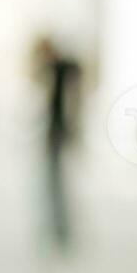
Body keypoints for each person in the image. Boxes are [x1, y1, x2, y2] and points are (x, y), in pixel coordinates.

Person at [32, 35, 81, 255]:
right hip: (57, 133)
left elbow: (67, 103)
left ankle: (61, 232)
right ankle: (59, 231)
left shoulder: (59, 70)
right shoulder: (64, 69)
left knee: (55, 185)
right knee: (55, 184)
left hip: (57, 134)